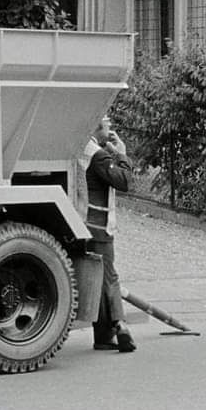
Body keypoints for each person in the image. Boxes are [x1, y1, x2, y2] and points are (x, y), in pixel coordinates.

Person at [84, 117, 136, 353]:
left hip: (83, 222)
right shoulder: (98, 156)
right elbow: (124, 181)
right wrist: (122, 154)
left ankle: (104, 336)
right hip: (99, 225)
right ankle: (119, 324)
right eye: (106, 125)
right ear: (96, 127)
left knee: (100, 277)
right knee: (109, 277)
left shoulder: (81, 150)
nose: (110, 130)